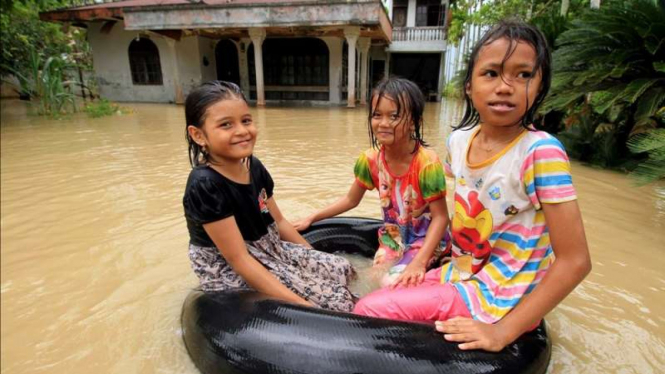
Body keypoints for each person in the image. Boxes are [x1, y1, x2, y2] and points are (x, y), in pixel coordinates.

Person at [353, 20, 592, 352]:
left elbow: (576, 260)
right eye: (491, 73)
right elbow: (468, 194)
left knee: (366, 310)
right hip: (462, 272)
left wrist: (503, 333)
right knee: (385, 287)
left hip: (500, 290)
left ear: (540, 86)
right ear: (469, 86)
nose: (505, 86)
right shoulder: (459, 141)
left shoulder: (541, 153)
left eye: (523, 74)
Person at [182, 81, 356, 312]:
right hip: (230, 264)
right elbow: (239, 259)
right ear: (198, 135)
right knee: (336, 302)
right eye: (226, 125)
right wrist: (304, 307)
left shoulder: (253, 166)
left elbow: (278, 220)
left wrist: (311, 257)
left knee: (341, 268)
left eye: (246, 121)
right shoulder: (205, 185)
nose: (242, 131)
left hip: (269, 247)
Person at [294, 77, 449, 288]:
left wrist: (419, 263)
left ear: (414, 122)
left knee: (391, 282)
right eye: (377, 115)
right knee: (373, 279)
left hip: (427, 239)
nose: (383, 123)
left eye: (394, 116)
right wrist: (311, 217)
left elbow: (441, 218)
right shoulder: (371, 160)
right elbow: (351, 199)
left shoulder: (427, 163)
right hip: (392, 236)